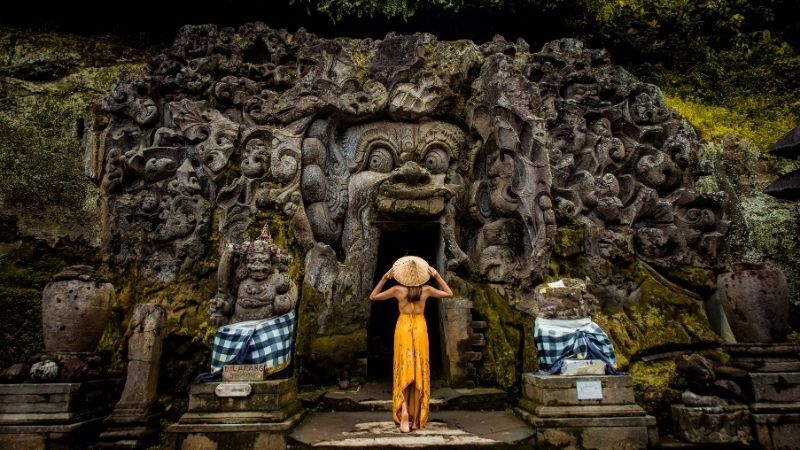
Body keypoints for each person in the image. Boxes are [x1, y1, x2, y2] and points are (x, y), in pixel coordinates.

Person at [369, 256, 453, 433]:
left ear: (402, 275)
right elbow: (449, 293)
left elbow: (373, 296)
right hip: (420, 329)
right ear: (422, 275)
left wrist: (385, 278)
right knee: (419, 371)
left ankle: (405, 411)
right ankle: (416, 420)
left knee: (405, 369)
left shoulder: (398, 290)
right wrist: (437, 276)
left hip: (403, 328)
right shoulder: (427, 290)